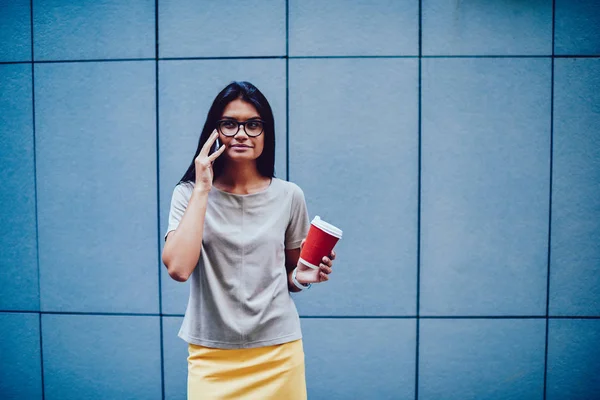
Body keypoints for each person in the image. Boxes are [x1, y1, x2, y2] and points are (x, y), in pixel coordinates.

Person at [162, 81, 337, 399]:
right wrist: (203, 188)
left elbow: (291, 275)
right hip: (211, 356)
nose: (241, 133)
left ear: (266, 133)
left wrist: (302, 278)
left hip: (278, 354)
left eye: (253, 124)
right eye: (230, 123)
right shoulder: (188, 193)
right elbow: (178, 268)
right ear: (214, 132)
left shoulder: (289, 195)